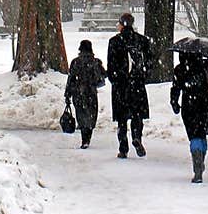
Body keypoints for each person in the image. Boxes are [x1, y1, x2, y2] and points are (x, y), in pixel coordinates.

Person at [170, 50, 208, 183]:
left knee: (194, 135)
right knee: (202, 133)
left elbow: (176, 88)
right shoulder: (206, 65)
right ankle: (200, 160)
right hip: (205, 104)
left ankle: (197, 163)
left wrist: (174, 102)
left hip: (188, 106)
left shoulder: (180, 69)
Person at [106, 12, 152, 158]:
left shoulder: (114, 41)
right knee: (137, 114)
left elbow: (111, 64)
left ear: (121, 24)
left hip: (121, 84)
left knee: (122, 118)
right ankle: (137, 136)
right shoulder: (142, 41)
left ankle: (123, 147)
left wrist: (114, 79)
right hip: (137, 83)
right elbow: (149, 61)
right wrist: (143, 76)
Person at [64, 39, 107, 149]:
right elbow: (103, 76)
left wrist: (67, 94)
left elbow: (71, 79)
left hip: (78, 92)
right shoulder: (96, 62)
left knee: (81, 114)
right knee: (91, 115)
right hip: (91, 92)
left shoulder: (75, 62)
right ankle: (88, 136)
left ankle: (84, 137)